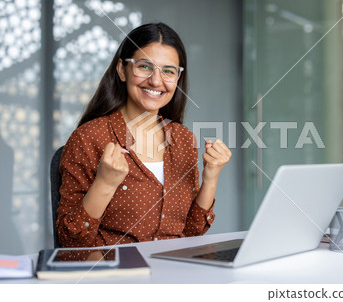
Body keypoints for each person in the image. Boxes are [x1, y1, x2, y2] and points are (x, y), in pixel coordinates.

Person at [57, 22, 231, 247]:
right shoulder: (89, 138)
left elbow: (191, 234)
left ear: (177, 78)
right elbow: (71, 244)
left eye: (168, 71)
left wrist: (211, 178)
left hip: (174, 273)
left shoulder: (184, 139)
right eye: (144, 67)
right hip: (117, 277)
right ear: (122, 70)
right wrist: (105, 183)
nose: (156, 81)